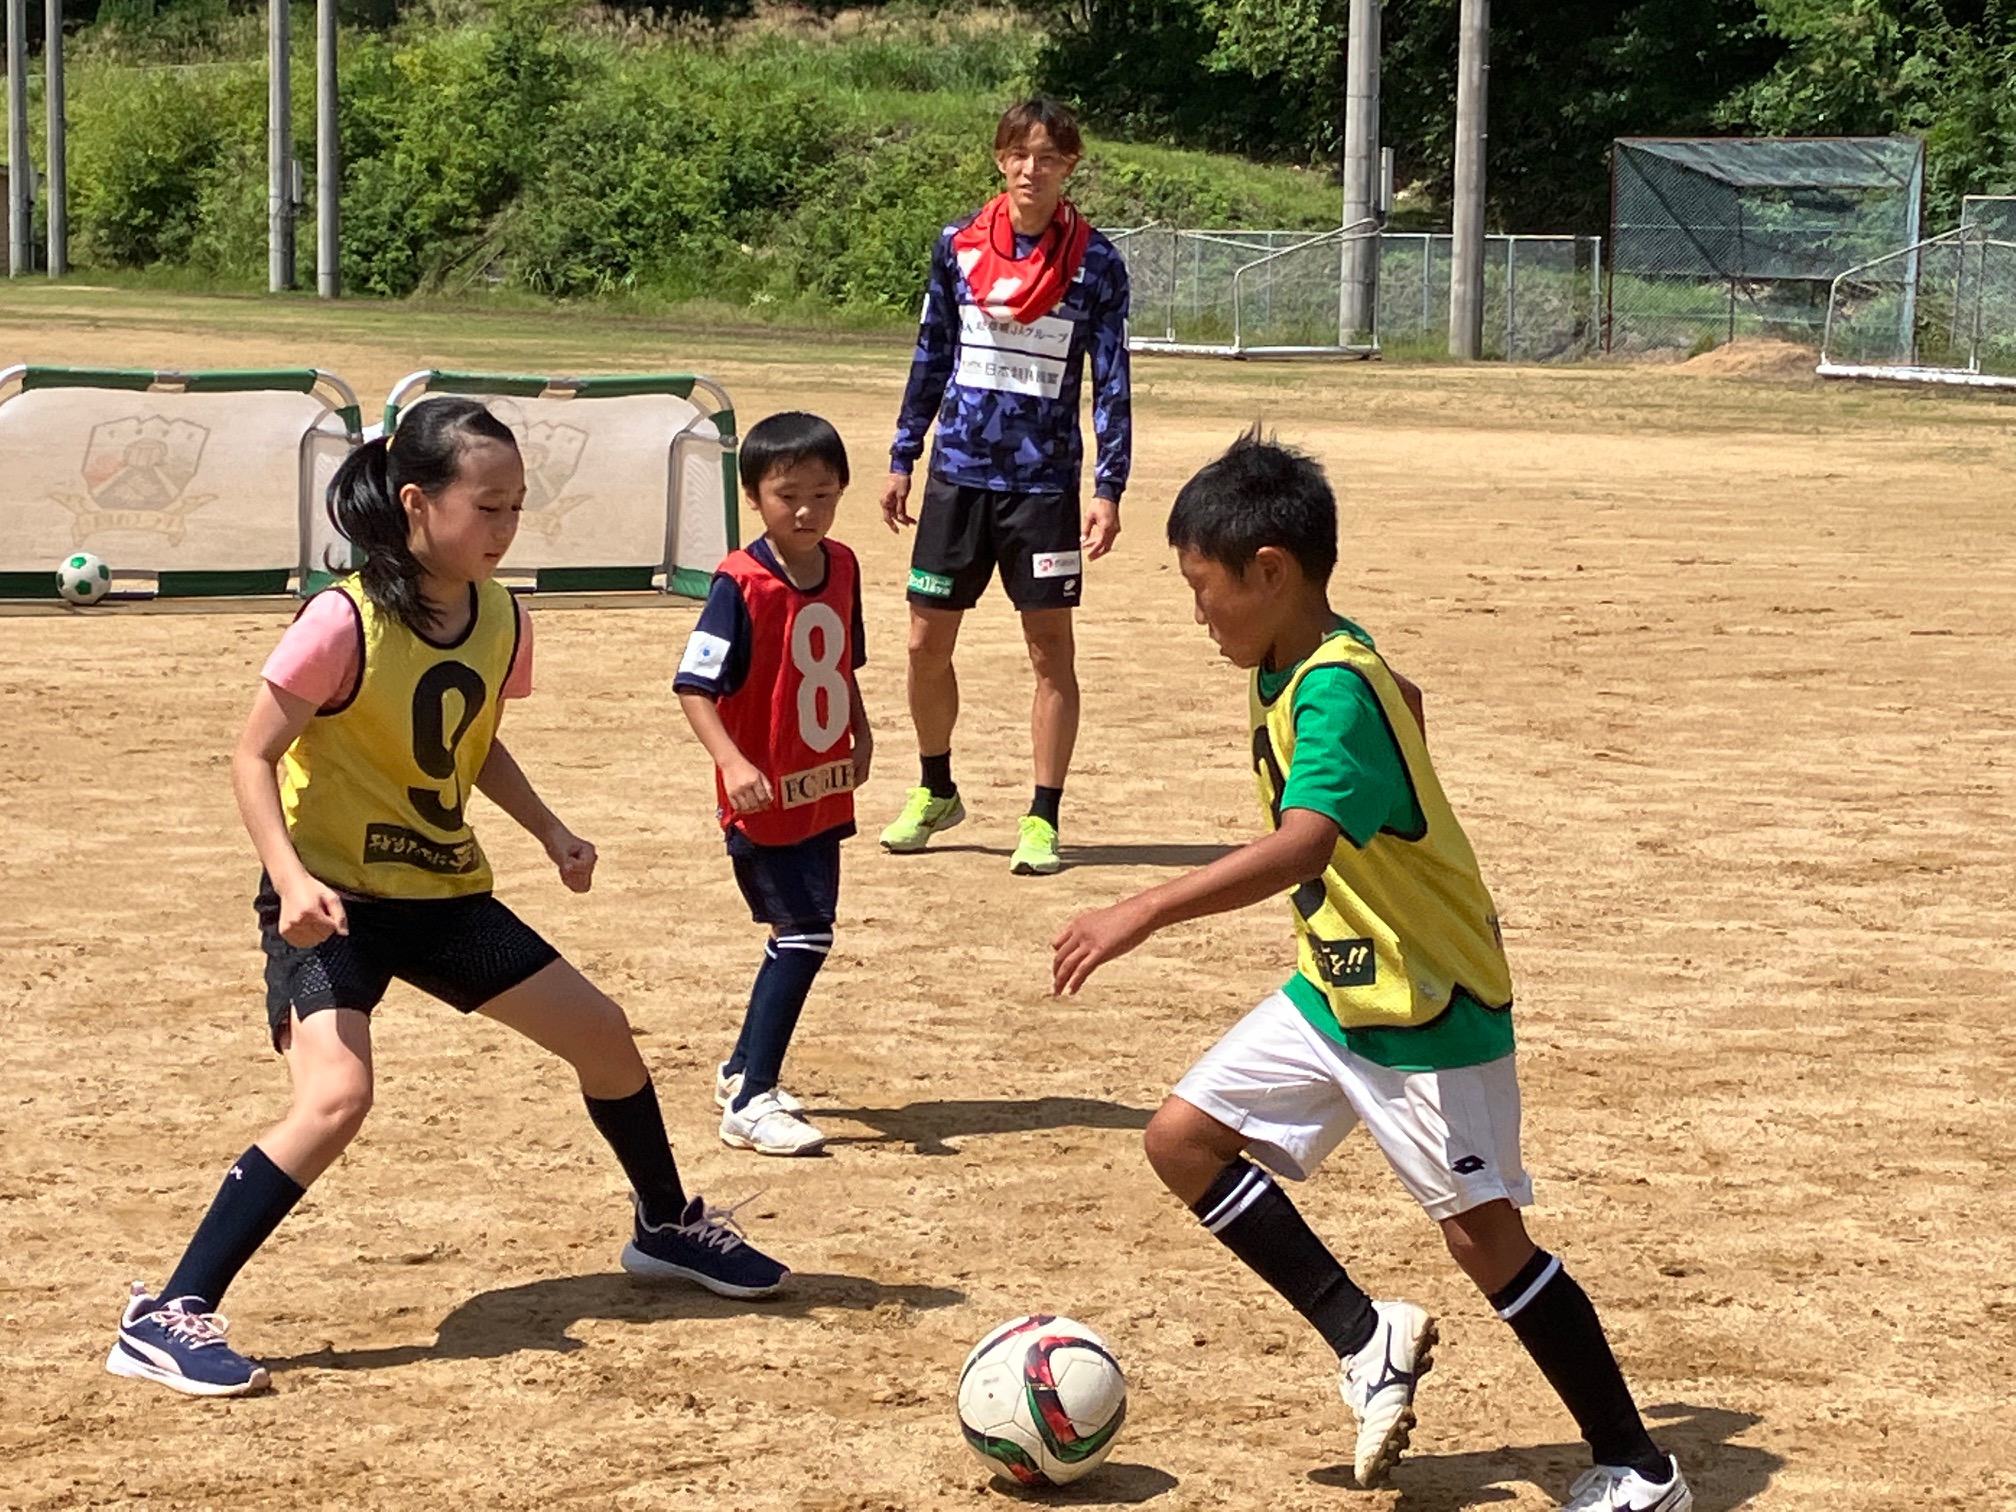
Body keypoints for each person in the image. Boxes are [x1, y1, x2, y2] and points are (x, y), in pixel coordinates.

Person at [1051, 432, 1693, 1512]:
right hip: (1340, 983)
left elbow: (1303, 846)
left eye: (1202, 587)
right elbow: (1410, 696)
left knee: (1484, 1239)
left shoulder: (1334, 690)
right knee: (1183, 1140)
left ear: (1270, 571)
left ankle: (1639, 1465)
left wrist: (1144, 908)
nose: (1196, 612)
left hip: (1427, 998)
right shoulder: (1309, 655)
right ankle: (1365, 1337)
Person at [106, 399, 787, 1400]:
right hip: (334, 902)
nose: (505, 528)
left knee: (604, 1037)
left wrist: (549, 829)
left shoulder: (501, 616)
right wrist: (291, 880)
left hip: (443, 893)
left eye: (516, 507)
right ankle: (168, 1313)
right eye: (487, 506)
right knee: (336, 1098)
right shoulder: (342, 619)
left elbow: (472, 737)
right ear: (417, 503)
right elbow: (252, 756)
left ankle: (664, 1224)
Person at [878, 96, 1131, 877]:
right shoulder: (956, 246)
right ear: (1000, 159)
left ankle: (1042, 816)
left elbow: (1111, 380)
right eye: (1019, 154)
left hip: (1043, 487)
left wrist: (1109, 485)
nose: (1031, 169)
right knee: (924, 643)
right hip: (957, 474)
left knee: (1050, 651)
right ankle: (935, 789)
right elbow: (931, 352)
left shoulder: (1097, 263)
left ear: (1069, 166)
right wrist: (903, 454)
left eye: (1048, 157)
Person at [675, 412, 871, 1158]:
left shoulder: (843, 565)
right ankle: (752, 1101)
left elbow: (842, 664)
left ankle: (739, 1070)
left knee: (800, 931)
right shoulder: (739, 584)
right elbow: (694, 686)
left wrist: (861, 730)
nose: (806, 511)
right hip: (762, 800)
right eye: (788, 495)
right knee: (805, 935)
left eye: (822, 494)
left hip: (820, 788)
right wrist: (732, 763)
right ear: (753, 496)